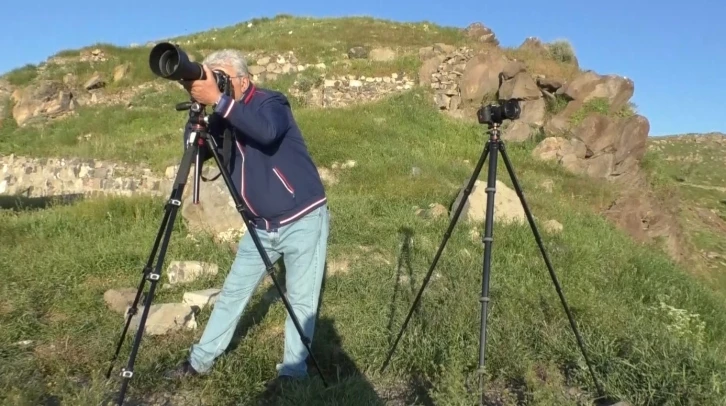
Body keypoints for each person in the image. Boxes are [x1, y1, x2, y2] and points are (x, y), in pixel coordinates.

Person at [165, 49, 329, 390]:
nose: (218, 83)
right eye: (213, 76)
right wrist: (198, 110)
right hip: (259, 226)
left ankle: (293, 373)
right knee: (232, 294)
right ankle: (199, 362)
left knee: (300, 299)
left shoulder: (272, 103)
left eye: (221, 76)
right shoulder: (222, 118)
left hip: (302, 217)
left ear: (243, 79)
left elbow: (266, 132)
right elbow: (194, 150)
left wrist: (219, 101)